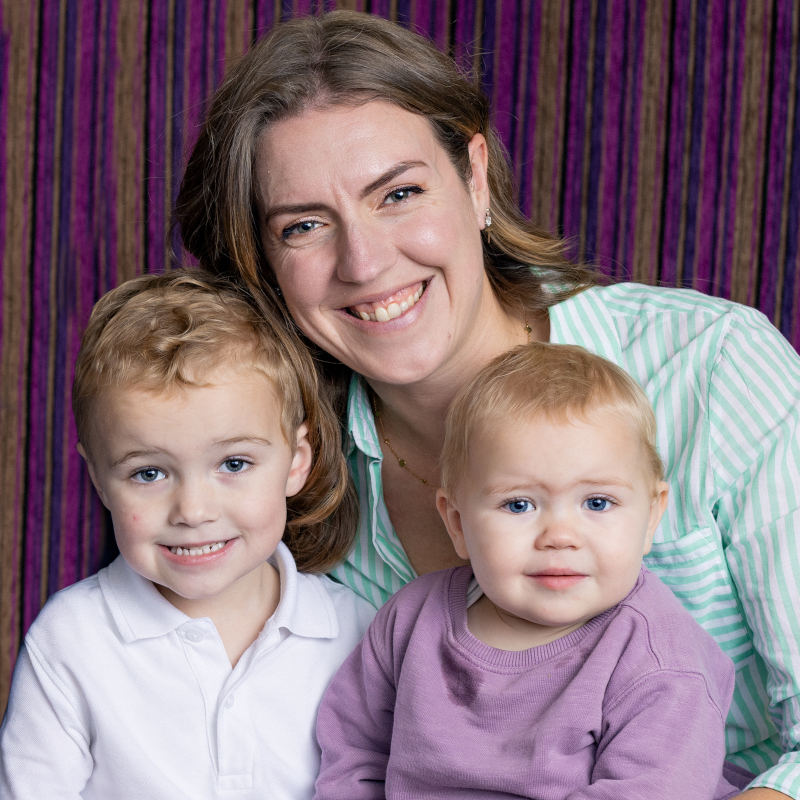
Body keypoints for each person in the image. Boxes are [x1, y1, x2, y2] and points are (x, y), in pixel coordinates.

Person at [174, 11, 800, 798]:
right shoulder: (270, 477)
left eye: (398, 193)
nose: (365, 263)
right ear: (263, 263)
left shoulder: (712, 369)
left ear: (474, 179)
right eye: (305, 226)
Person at [314, 342, 753, 799]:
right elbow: (352, 754)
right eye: (519, 504)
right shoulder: (409, 620)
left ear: (651, 516)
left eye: (597, 503)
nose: (559, 536)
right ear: (457, 522)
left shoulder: (661, 660)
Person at [0, 269, 375, 799]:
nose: (193, 511)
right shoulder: (70, 640)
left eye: (235, 463)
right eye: (148, 473)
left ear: (295, 462)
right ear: (99, 481)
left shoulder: (358, 634)